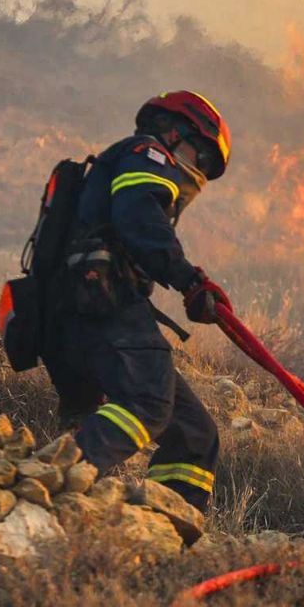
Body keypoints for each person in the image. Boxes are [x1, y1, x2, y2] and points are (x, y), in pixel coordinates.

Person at [41, 91, 235, 512]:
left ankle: (166, 528)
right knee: (147, 402)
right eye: (199, 156)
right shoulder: (146, 153)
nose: (199, 172)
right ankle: (44, 488)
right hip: (103, 305)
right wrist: (189, 280)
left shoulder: (125, 161)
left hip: (84, 313)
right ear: (172, 132)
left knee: (194, 433)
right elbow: (139, 217)